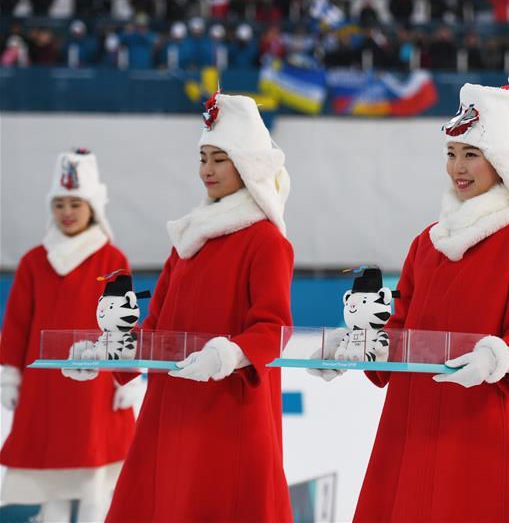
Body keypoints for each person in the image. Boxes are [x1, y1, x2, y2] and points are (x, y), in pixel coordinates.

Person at [354, 83, 509, 521]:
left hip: (482, 426)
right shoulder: (426, 243)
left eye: (471, 154)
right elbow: (400, 326)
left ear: (501, 162)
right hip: (412, 426)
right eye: (451, 153)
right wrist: (363, 347)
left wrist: (496, 357)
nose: (457, 167)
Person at [96, 92, 295, 522]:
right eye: (203, 157)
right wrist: (111, 354)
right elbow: (153, 330)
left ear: (249, 165)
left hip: (229, 414)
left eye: (219, 158)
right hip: (170, 412)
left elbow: (274, 327)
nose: (206, 169)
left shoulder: (266, 241)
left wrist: (229, 354)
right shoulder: (188, 240)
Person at [0, 149, 140, 522]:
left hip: (96, 391)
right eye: (59, 203)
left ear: (92, 207)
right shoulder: (34, 261)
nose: (66, 211)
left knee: (96, 482)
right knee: (54, 483)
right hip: (45, 389)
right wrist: (9, 376)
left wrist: (127, 376)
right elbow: (16, 324)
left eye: (75, 203)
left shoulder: (111, 260)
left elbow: (124, 323)